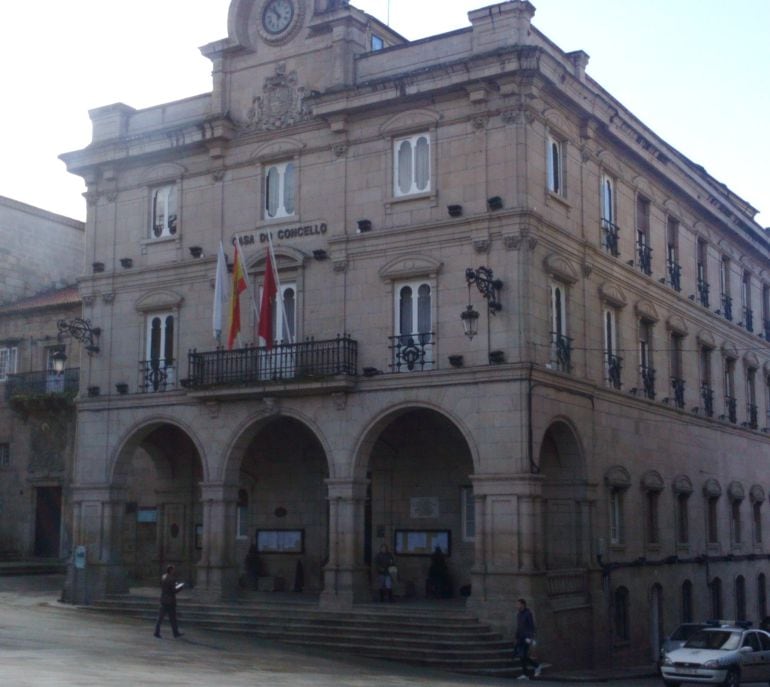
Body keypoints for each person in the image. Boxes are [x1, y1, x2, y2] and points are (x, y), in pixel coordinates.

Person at [515, 598, 542, 679]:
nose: (517, 606)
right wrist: (516, 636)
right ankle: (525, 673)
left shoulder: (528, 613)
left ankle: (536, 666)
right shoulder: (519, 614)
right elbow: (519, 627)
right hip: (520, 638)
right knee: (521, 656)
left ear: (523, 605)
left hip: (526, 638)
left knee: (523, 655)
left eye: (518, 604)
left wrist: (530, 637)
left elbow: (531, 626)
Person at [154, 564, 184, 638]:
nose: (174, 571)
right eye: (173, 570)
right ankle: (175, 633)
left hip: (163, 599)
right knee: (173, 618)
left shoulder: (163, 577)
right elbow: (173, 590)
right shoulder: (172, 579)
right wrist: (180, 587)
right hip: (170, 601)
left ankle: (156, 631)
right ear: (171, 570)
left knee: (160, 618)